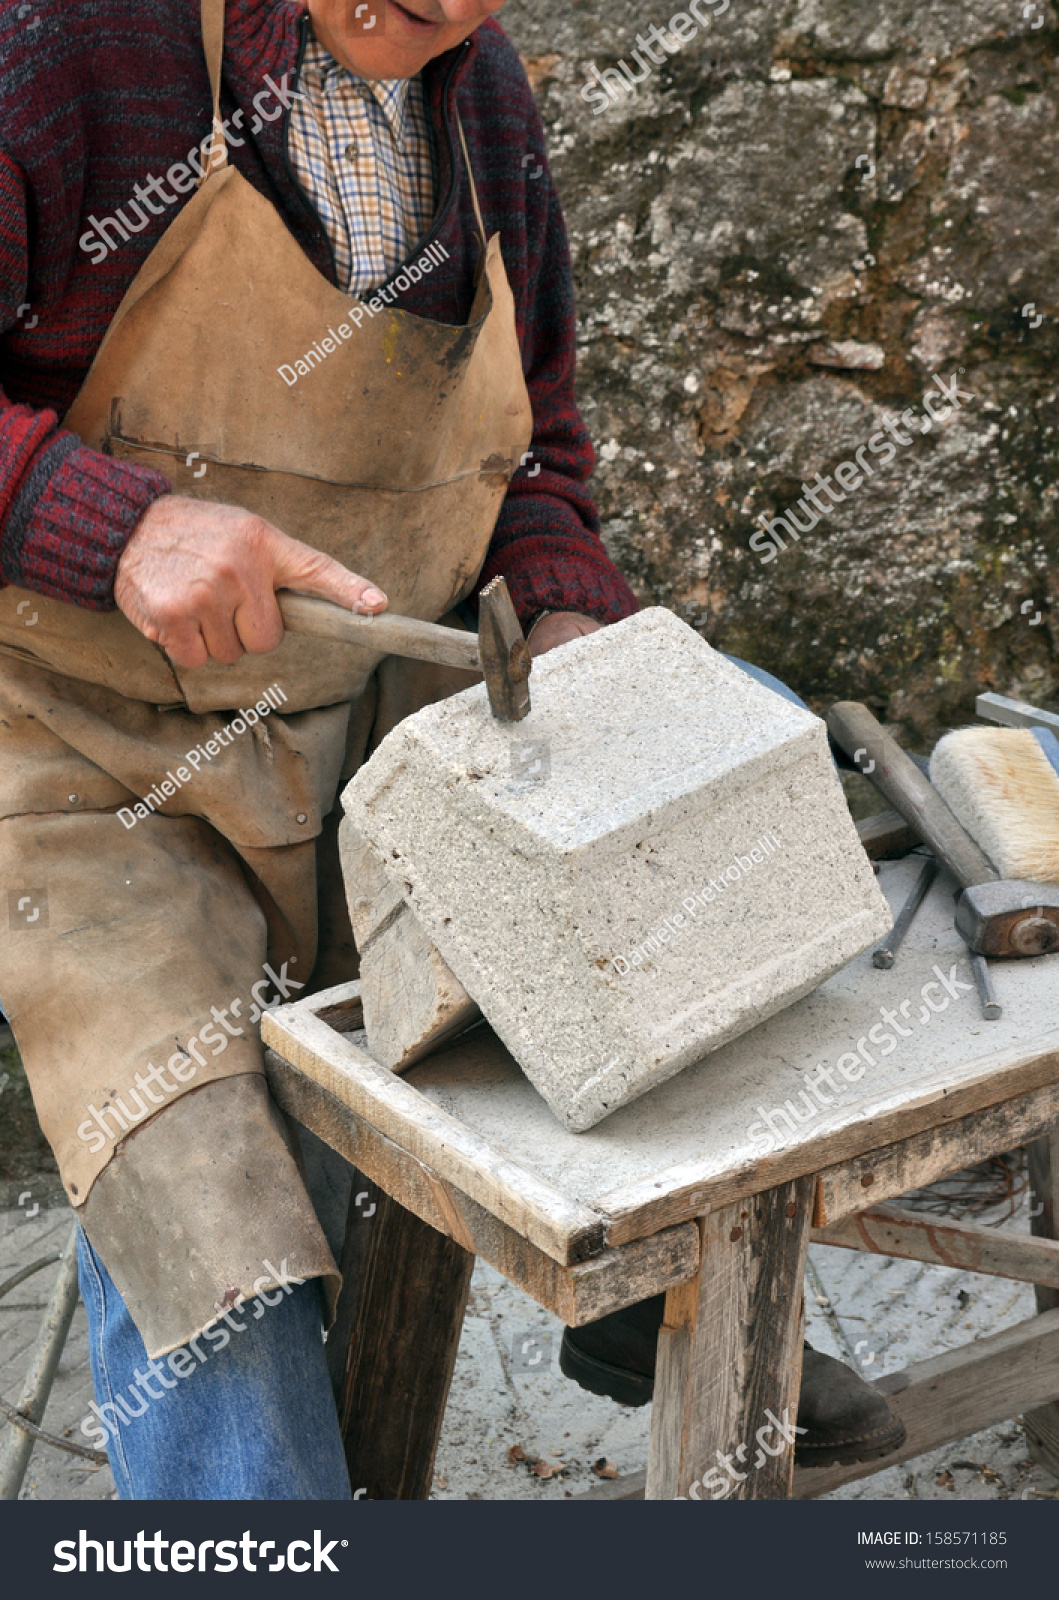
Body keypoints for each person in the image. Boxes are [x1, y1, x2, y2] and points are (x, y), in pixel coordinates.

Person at [0, 0, 900, 1498]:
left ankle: (656, 1284)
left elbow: (535, 447)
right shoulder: (84, 43)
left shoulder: (481, 100)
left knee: (699, 820)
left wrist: (558, 619)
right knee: (212, 1225)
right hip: (97, 762)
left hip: (381, 728)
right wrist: (114, 524)